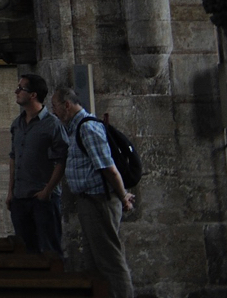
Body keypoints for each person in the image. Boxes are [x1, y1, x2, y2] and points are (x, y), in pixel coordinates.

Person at [51, 86, 134, 298]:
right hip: (89, 201)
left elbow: (108, 168)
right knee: (93, 260)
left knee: (110, 259)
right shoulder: (75, 127)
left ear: (66, 105)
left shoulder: (87, 128)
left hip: (100, 201)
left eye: (55, 106)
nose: (54, 111)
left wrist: (123, 195)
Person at [7, 73, 68, 257]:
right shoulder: (17, 124)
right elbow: (13, 157)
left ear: (33, 95)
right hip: (20, 197)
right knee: (26, 252)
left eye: (21, 88)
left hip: (42, 199)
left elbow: (62, 160)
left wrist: (48, 190)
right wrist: (10, 191)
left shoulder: (52, 125)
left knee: (50, 250)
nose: (16, 91)